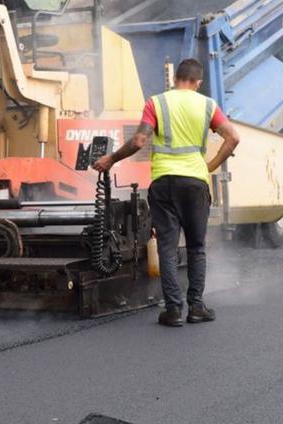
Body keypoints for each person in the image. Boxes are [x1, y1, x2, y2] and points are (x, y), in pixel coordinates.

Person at [92, 58, 240, 327]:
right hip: (195, 182)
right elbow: (233, 137)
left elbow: (139, 140)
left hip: (163, 184)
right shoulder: (208, 105)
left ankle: (173, 310)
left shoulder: (157, 103)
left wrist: (111, 159)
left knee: (167, 249)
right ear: (198, 82)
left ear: (175, 79)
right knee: (196, 247)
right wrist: (210, 166)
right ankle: (197, 307)